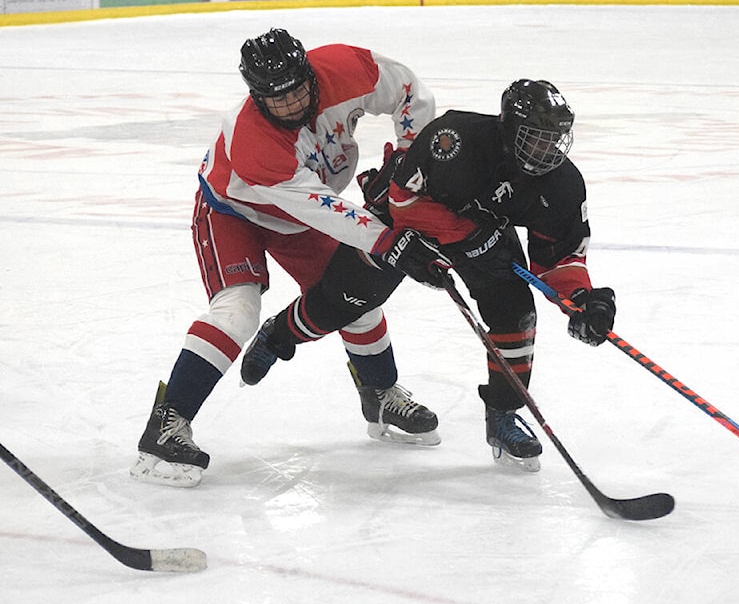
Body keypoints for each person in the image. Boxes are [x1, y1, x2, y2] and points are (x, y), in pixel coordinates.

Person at [130, 28, 450, 488]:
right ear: (255, 95)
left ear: (309, 73)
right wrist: (388, 241)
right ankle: (167, 424)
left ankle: (379, 394)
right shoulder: (252, 142)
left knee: (358, 300)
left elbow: (410, 92)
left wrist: (406, 154)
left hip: (300, 215)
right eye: (275, 100)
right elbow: (322, 207)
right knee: (237, 312)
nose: (291, 106)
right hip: (233, 211)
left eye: (298, 90)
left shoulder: (347, 67)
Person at [384, 79, 617, 472]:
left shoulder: (562, 184)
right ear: (509, 129)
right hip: (407, 226)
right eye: (536, 137)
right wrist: (468, 235)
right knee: (350, 294)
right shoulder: (455, 138)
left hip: (484, 230)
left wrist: (580, 299)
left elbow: (558, 257)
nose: (549, 149)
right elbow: (401, 201)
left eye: (555, 138)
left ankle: (504, 415)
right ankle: (284, 337)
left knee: (514, 311)